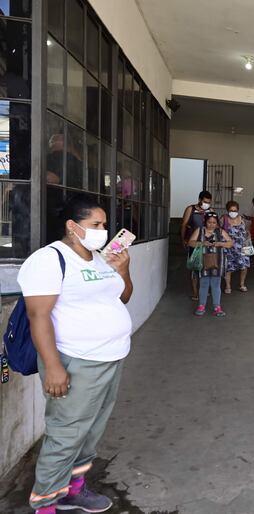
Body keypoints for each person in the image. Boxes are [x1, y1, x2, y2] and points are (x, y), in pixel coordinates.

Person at [18, 195, 133, 514]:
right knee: (66, 434)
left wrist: (124, 270)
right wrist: (53, 367)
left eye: (105, 225)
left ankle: (73, 491)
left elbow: (123, 297)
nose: (103, 230)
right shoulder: (49, 259)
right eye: (95, 224)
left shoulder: (101, 258)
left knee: (90, 433)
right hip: (76, 360)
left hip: (111, 358)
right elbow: (38, 316)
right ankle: (46, 505)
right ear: (72, 226)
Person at [188, 212, 233, 317]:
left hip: (217, 262)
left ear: (217, 223)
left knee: (216, 285)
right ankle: (201, 305)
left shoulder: (220, 231)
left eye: (214, 222)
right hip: (202, 262)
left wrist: (221, 243)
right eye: (209, 222)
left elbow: (230, 243)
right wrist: (202, 243)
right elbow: (191, 242)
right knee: (203, 284)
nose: (211, 224)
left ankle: (217, 307)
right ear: (205, 222)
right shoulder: (199, 230)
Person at [180, 191, 213, 300]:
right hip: (193, 243)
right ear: (199, 200)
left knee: (207, 268)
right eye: (205, 202)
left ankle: (204, 290)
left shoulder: (210, 211)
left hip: (207, 243)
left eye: (208, 202)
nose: (206, 204)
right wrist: (183, 239)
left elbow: (214, 226)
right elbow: (184, 225)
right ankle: (195, 293)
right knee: (195, 268)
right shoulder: (191, 209)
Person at [222, 201, 250, 293]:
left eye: (235, 210)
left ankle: (242, 284)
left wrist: (248, 236)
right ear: (227, 210)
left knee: (244, 266)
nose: (233, 212)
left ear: (238, 210)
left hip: (242, 248)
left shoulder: (241, 218)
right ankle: (228, 286)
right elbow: (218, 230)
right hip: (228, 248)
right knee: (228, 267)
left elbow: (245, 231)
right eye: (231, 210)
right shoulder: (224, 219)